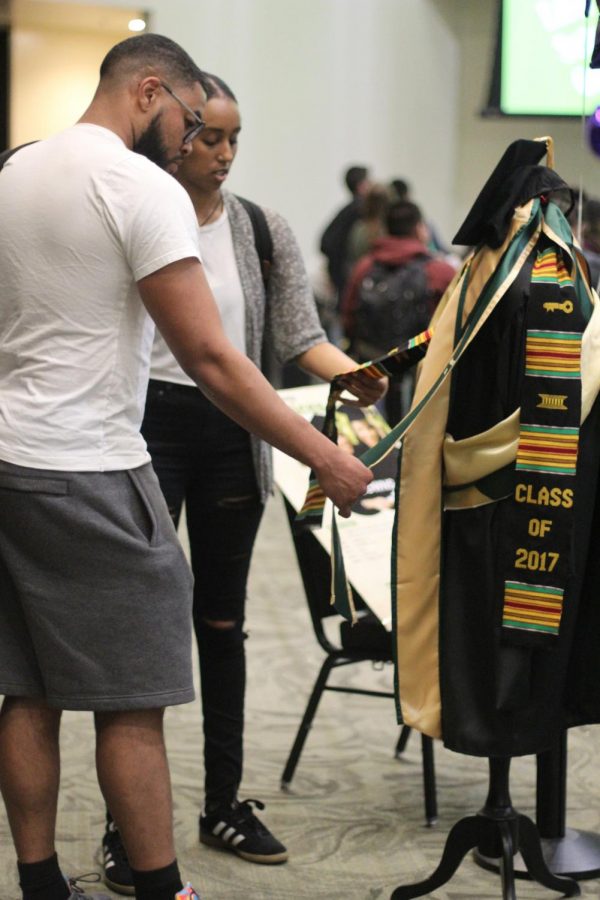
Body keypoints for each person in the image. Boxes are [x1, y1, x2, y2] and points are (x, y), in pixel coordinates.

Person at [0, 35, 374, 900]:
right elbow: (210, 357)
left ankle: (39, 882)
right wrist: (328, 456)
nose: (195, 140)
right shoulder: (138, 187)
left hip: (14, 459)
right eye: (191, 121)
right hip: (93, 468)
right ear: (150, 91)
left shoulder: (18, 171)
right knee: (133, 705)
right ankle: (167, 888)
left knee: (27, 688)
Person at [99, 73, 387, 895]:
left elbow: (298, 337)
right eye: (209, 137)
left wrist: (355, 374)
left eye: (234, 139)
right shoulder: (133, 210)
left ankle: (222, 802)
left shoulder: (263, 228)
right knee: (142, 638)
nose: (223, 154)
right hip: (144, 429)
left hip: (235, 435)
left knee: (222, 622)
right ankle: (129, 829)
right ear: (178, 133)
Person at [342, 200, 456, 424]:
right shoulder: (439, 271)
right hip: (419, 368)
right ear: (419, 228)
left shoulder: (364, 267)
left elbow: (348, 314)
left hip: (372, 365)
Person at [319, 164, 371, 301]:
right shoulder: (359, 210)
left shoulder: (346, 210)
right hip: (346, 272)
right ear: (361, 186)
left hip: (340, 269)